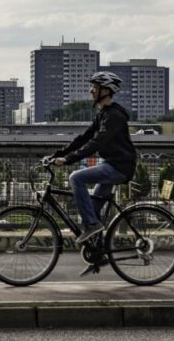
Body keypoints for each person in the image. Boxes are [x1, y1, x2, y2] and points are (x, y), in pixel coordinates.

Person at [50, 71, 137, 246]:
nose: (91, 91)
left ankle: (91, 225)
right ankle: (98, 253)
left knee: (76, 178)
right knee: (94, 208)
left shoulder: (114, 116)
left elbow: (96, 142)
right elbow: (84, 138)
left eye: (95, 87)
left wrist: (68, 160)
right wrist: (59, 154)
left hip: (119, 167)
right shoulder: (103, 114)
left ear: (105, 91)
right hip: (111, 164)